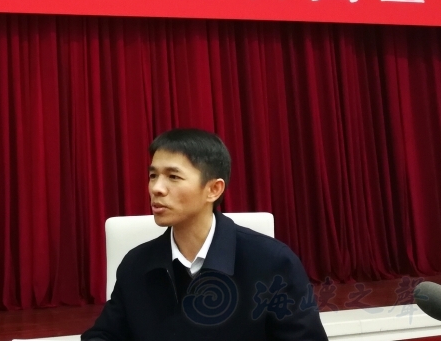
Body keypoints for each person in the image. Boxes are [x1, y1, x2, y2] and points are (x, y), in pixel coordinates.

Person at [82, 128, 328, 340]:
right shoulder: (136, 265)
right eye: (153, 175)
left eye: (173, 177)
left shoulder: (272, 262)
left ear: (214, 189)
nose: (156, 188)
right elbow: (103, 335)